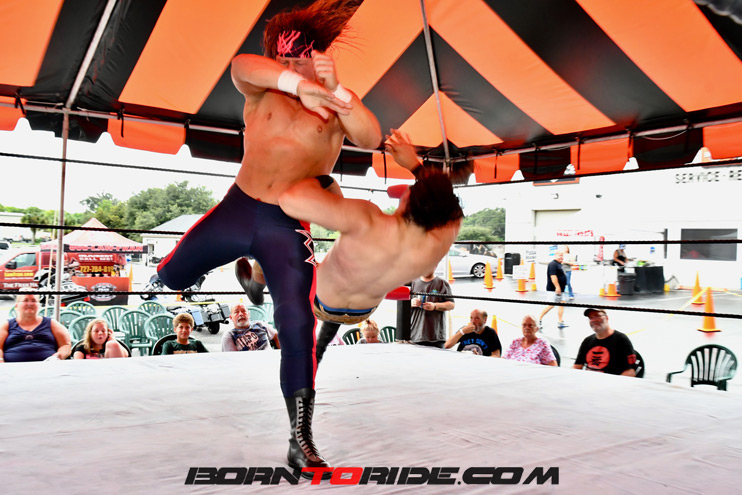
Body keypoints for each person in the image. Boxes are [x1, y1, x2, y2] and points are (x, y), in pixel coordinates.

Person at [155, 0, 381, 473]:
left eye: (300, 58)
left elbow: (370, 137)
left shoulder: (338, 105)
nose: (290, 64)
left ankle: (301, 438)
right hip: (238, 209)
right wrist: (300, 84)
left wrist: (336, 91)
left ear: (318, 57)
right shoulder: (264, 88)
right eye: (284, 58)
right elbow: (241, 65)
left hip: (286, 225)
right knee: (171, 276)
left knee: (297, 323)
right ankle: (242, 273)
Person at [239, 129, 463, 362]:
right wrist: (417, 170)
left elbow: (289, 199)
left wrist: (318, 177)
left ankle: (256, 284)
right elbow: (447, 206)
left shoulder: (368, 219)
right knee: (335, 213)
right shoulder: (437, 245)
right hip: (363, 312)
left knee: (276, 234)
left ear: (406, 198)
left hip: (319, 302)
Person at [0, 294, 71, 362]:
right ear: (17, 305)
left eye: (34, 300)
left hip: (47, 367)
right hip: (12, 368)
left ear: (39, 305)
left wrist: (58, 356)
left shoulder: (52, 323)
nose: (30, 304)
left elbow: (66, 345)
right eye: (25, 300)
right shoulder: (7, 325)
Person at [573, 309, 636, 376]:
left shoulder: (621, 340)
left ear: (606, 318)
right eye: (590, 318)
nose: (594, 320)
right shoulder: (587, 341)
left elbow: (630, 371)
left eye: (597, 316)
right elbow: (577, 366)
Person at [410, 273, 455, 348]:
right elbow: (402, 302)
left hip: (436, 337)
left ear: (435, 267)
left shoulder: (442, 283)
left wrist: (435, 306)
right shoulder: (412, 283)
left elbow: (451, 305)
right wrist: (411, 303)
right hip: (415, 335)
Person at [538, 250, 567, 330]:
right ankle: (538, 319)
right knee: (551, 305)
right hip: (553, 289)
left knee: (562, 303)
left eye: (562, 255)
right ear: (555, 256)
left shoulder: (559, 264)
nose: (561, 257)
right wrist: (557, 287)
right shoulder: (553, 264)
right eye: (559, 255)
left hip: (561, 289)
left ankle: (560, 322)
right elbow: (553, 276)